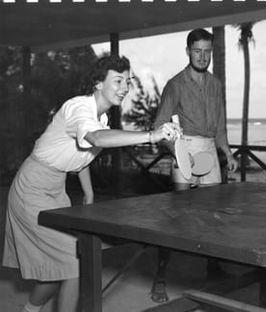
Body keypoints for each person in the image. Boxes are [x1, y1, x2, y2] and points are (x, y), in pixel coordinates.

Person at [2, 55, 180, 312]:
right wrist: (152, 135)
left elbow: (82, 154)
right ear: (98, 82)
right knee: (75, 263)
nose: (124, 88)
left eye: (128, 81)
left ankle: (28, 310)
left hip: (56, 189)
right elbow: (96, 139)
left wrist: (88, 192)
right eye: (117, 80)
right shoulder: (79, 108)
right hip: (30, 190)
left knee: (54, 270)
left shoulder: (103, 118)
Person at [151, 28, 238, 303]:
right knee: (176, 218)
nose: (203, 56)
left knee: (212, 215)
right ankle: (160, 277)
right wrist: (177, 152)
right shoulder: (175, 84)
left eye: (207, 51)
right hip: (184, 148)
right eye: (197, 51)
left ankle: (213, 268)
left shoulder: (216, 84)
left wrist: (228, 152)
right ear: (188, 51)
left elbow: (220, 126)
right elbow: (158, 126)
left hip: (210, 150)